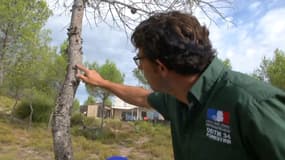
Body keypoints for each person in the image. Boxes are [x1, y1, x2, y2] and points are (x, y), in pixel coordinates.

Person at [76, 11, 285, 160]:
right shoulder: (178, 99)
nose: (139, 67)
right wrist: (102, 82)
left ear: (160, 67)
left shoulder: (253, 103)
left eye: (139, 59)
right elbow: (140, 97)